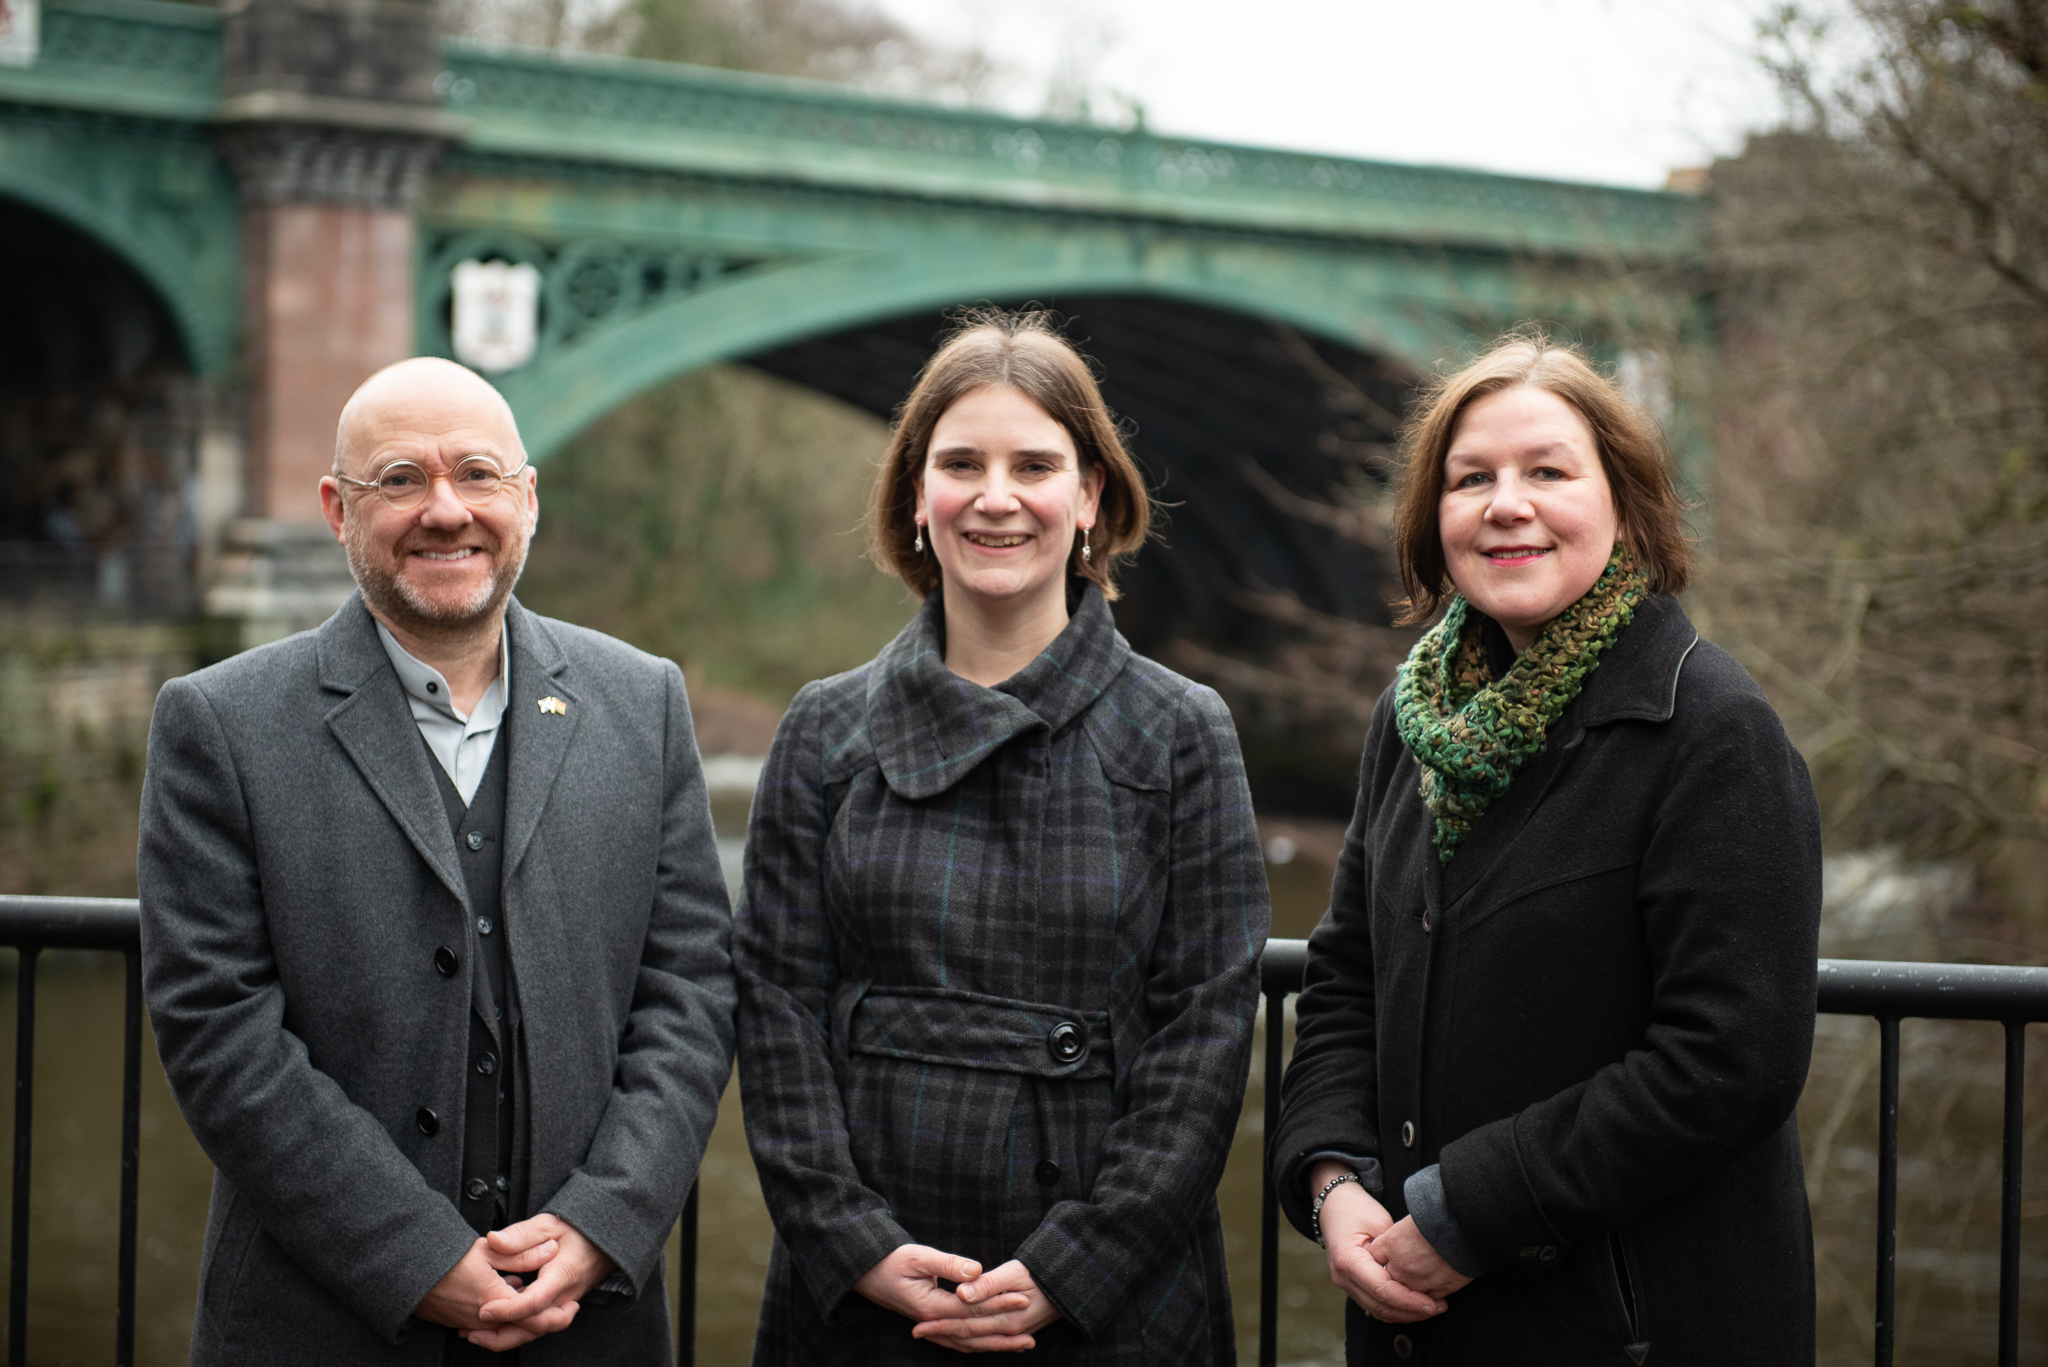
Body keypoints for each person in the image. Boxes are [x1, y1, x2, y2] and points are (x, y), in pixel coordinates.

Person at [139, 357, 736, 1364]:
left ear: (528, 497)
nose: (445, 509)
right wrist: (411, 1254)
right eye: (400, 480)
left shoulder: (644, 703)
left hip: (586, 1323)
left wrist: (604, 1220)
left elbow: (687, 991)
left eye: (478, 474)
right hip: (316, 1321)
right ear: (337, 507)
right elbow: (218, 1031)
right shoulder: (221, 725)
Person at [1269, 334, 1822, 1365]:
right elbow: (1346, 975)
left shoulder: (1710, 729)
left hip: (1630, 1325)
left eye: (1546, 472)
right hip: (1413, 1321)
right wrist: (1331, 1175)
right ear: (1432, 521)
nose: (1503, 503)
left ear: (1625, 504)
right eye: (1469, 477)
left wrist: (1465, 1211)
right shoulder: (1410, 723)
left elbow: (1728, 1058)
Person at [734, 311, 1270, 1364]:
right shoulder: (823, 728)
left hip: (1108, 1296)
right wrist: (849, 1240)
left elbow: (1204, 1034)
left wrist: (1079, 1264)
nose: (995, 495)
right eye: (959, 463)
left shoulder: (1179, 731)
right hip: (870, 1291)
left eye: (1034, 463)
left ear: (1088, 499)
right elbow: (775, 1005)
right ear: (914, 498)